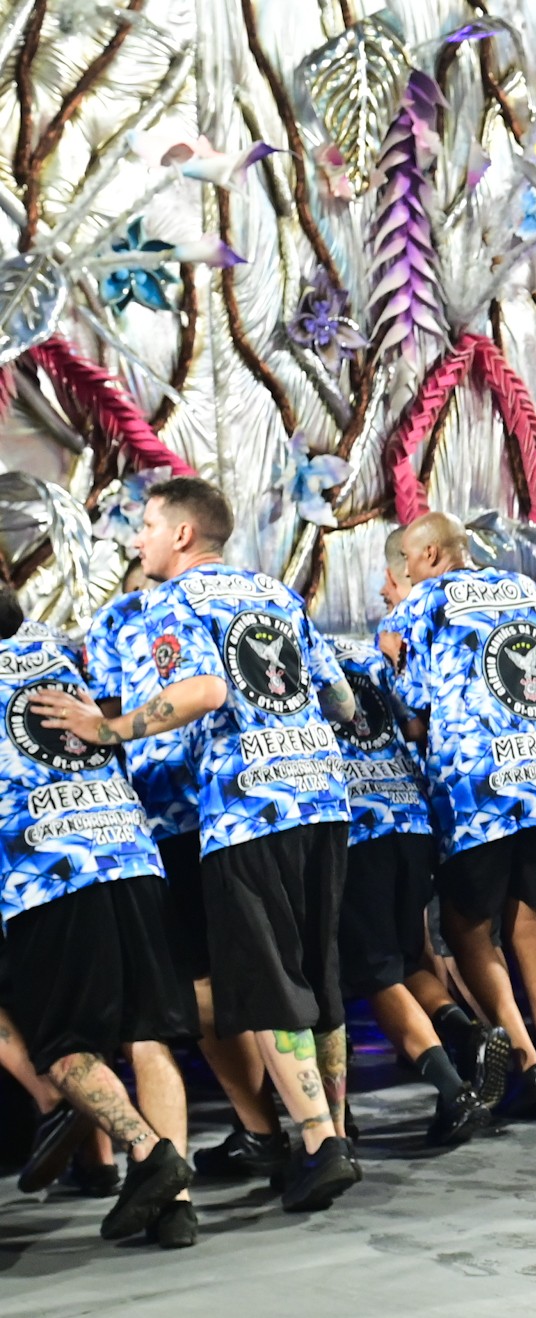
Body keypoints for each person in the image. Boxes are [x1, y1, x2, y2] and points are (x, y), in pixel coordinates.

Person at [36, 476, 363, 1214]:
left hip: (247, 809)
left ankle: (319, 1144)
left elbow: (204, 691)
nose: (138, 540)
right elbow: (340, 700)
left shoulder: (170, 601)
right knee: (318, 978)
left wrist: (105, 729)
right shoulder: (275, 593)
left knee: (271, 984)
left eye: (147, 526)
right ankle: (333, 1133)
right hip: (321, 797)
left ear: (183, 534)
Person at [4, 586, 200, 1247]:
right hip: (131, 853)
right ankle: (174, 1208)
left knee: (63, 1048)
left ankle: (150, 1152)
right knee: (149, 1034)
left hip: (50, 873)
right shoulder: (54, 649)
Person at [84, 567, 283, 1181]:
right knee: (257, 969)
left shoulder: (129, 616)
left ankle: (270, 1128)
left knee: (202, 980)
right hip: (228, 807)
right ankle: (303, 1124)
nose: (140, 538)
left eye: (148, 525)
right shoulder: (245, 596)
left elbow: (106, 721)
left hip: (192, 813)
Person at [383, 511, 536, 1120]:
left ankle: (528, 1062)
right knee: (533, 930)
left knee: (468, 928)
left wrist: (392, 661)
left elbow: (413, 704)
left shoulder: (420, 606)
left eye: (407, 561)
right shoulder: (523, 587)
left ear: (431, 554)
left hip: (477, 791)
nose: (405, 574)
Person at [326, 630, 496, 1145]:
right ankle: (466, 1034)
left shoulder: (304, 656)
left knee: (373, 973)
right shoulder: (366, 654)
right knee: (404, 960)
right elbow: (414, 725)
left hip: (360, 825)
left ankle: (453, 1091)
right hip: (409, 816)